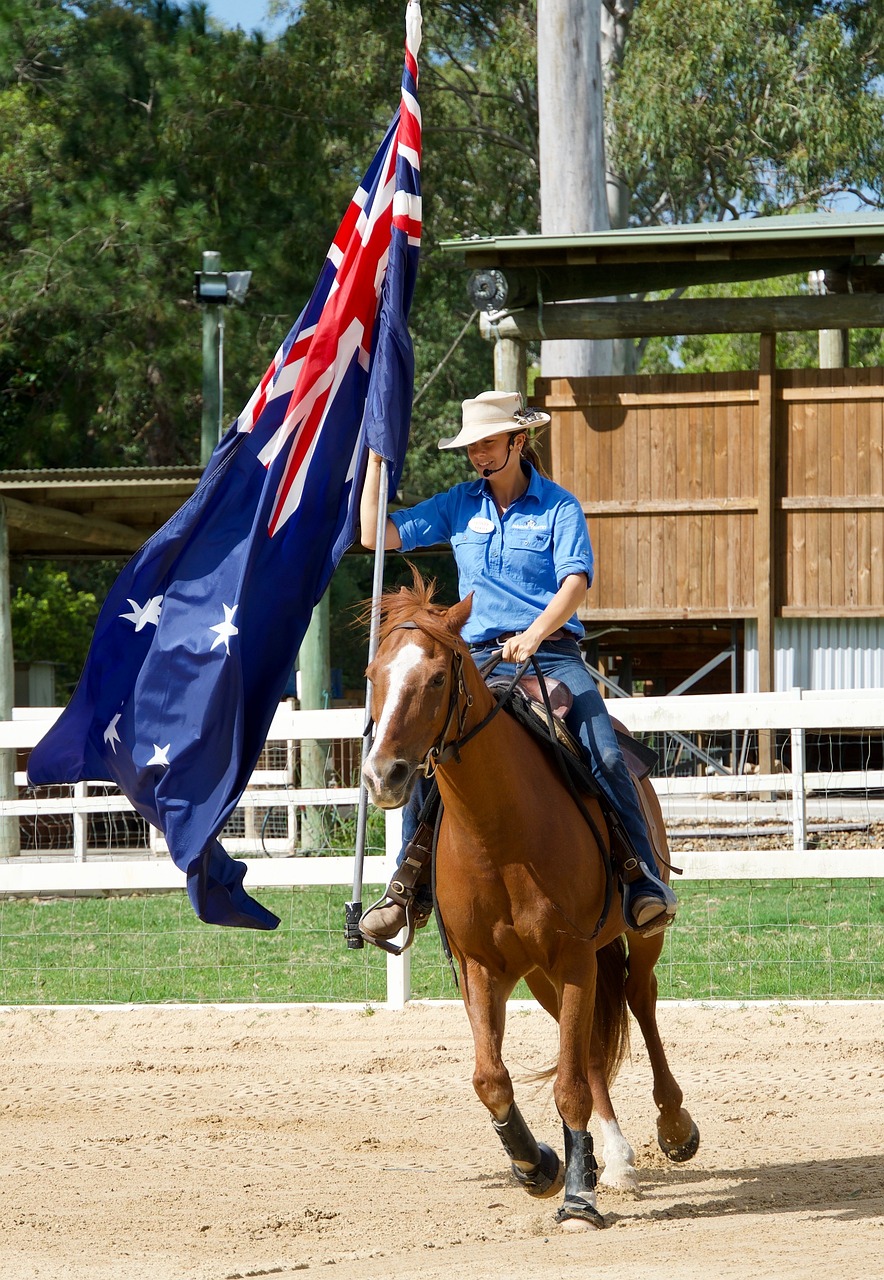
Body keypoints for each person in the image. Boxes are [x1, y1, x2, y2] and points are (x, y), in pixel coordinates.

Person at [358, 389, 677, 945]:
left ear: (518, 441)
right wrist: (374, 464)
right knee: (432, 756)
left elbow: (574, 581)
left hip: (551, 652)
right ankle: (406, 889)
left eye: (488, 443)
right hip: (475, 659)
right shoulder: (458, 504)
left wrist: (534, 635)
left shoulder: (559, 506)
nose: (479, 455)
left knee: (603, 749)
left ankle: (640, 878)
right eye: (472, 447)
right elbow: (374, 536)